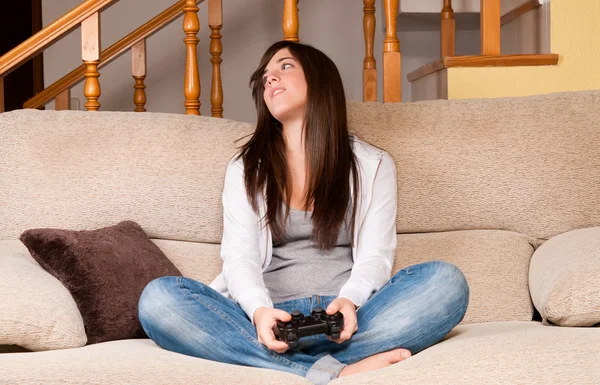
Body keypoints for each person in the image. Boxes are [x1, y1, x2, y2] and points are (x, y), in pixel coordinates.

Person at [138, 40, 470, 385]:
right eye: (264, 77)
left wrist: (349, 301)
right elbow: (239, 258)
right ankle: (332, 372)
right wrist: (260, 312)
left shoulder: (373, 165)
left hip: (350, 321)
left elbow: (376, 256)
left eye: (284, 67)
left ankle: (283, 366)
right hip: (271, 322)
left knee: (446, 282)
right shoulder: (246, 168)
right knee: (159, 299)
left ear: (319, 80)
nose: (270, 80)